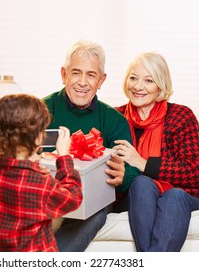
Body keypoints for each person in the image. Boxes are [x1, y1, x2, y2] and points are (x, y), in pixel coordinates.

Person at [42, 40, 142, 251]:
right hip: (47, 195)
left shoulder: (114, 120)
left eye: (91, 75)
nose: (82, 82)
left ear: (101, 80)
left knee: (93, 210)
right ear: (64, 74)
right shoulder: (42, 110)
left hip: (92, 203)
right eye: (76, 73)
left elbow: (133, 175)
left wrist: (124, 175)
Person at [113, 52, 199, 251]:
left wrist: (142, 163)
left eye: (149, 80)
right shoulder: (115, 117)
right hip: (133, 197)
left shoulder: (181, 116)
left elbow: (195, 172)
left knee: (174, 196)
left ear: (161, 85)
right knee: (141, 183)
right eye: (133, 78)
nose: (138, 86)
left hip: (186, 195)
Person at [0, 94, 82, 252]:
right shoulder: (39, 184)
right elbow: (73, 197)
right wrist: (64, 157)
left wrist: (33, 170)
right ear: (38, 137)